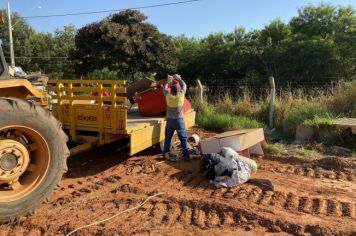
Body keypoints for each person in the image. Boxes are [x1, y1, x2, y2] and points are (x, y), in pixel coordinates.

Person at [163, 74, 190, 161]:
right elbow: (184, 86)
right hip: (179, 120)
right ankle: (186, 156)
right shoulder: (180, 96)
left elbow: (164, 89)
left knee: (168, 137)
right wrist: (179, 78)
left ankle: (165, 153)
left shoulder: (168, 96)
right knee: (183, 138)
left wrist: (168, 82)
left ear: (171, 91)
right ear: (178, 91)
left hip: (170, 121)